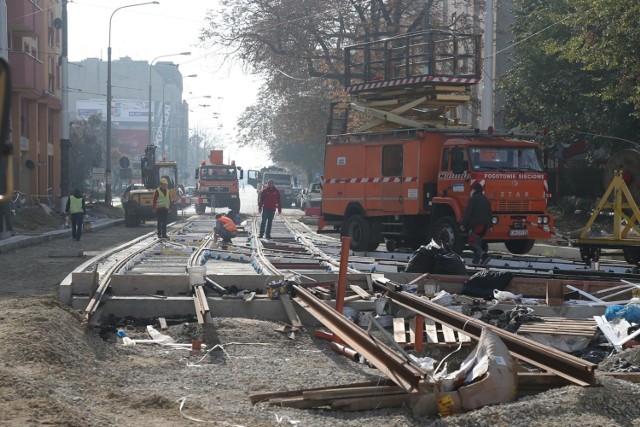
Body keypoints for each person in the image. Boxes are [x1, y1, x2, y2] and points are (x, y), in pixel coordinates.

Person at [461, 182, 492, 264]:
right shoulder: (486, 199)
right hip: (485, 226)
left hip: (476, 226)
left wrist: (463, 224)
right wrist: (491, 226)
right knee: (478, 243)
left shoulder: (473, 199)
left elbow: (468, 213)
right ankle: (476, 261)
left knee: (471, 244)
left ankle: (484, 255)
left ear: (474, 190)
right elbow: (489, 213)